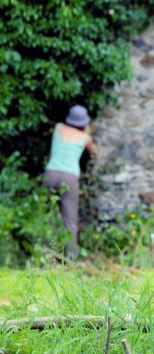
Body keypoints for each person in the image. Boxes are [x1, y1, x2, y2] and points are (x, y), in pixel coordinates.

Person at [42, 105, 96, 259]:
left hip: (50, 174)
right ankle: (71, 258)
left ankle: (44, 253)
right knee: (69, 220)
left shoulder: (58, 128)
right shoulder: (85, 138)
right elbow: (93, 152)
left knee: (47, 215)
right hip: (69, 178)